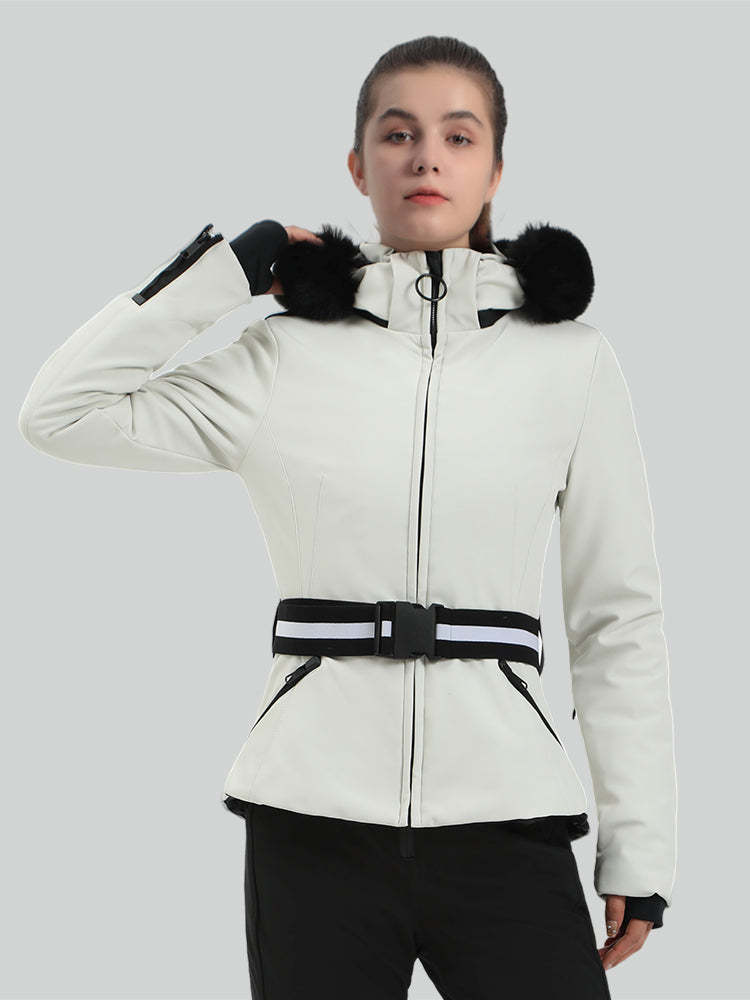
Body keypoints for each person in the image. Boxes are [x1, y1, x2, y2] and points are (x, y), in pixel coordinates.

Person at [18, 33, 676, 1000]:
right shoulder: (283, 356)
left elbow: (618, 617)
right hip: (309, 823)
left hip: (509, 815)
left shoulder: (571, 362)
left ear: (496, 170)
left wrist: (640, 847)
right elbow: (58, 414)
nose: (426, 157)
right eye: (398, 133)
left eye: (459, 136)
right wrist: (227, 272)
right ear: (358, 165)